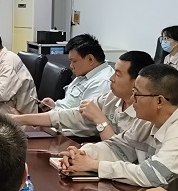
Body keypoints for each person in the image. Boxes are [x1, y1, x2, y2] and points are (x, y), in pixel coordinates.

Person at [62, 65, 178, 191]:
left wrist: (94, 165)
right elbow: (118, 147)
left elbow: (152, 175)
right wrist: (83, 154)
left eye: (137, 94)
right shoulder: (147, 119)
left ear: (159, 101)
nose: (132, 99)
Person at [13, 51, 155, 141]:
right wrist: (20, 119)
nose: (111, 79)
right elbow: (73, 115)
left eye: (118, 74)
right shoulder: (111, 97)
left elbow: (121, 152)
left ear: (138, 81)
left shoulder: (145, 114)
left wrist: (100, 120)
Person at [40, 34, 113, 135]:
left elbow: (86, 122)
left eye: (74, 61)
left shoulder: (102, 82)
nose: (71, 66)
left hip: (70, 135)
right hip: (57, 123)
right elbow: (70, 104)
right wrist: (54, 106)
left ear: (90, 59)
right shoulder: (85, 73)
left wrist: (53, 121)